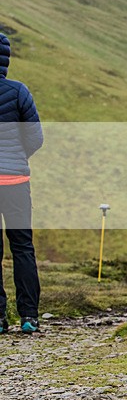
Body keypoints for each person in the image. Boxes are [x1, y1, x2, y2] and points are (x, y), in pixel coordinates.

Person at [0, 32, 44, 334]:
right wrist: (17, 158)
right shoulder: (18, 92)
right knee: (22, 248)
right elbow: (35, 139)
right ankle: (29, 316)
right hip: (16, 180)